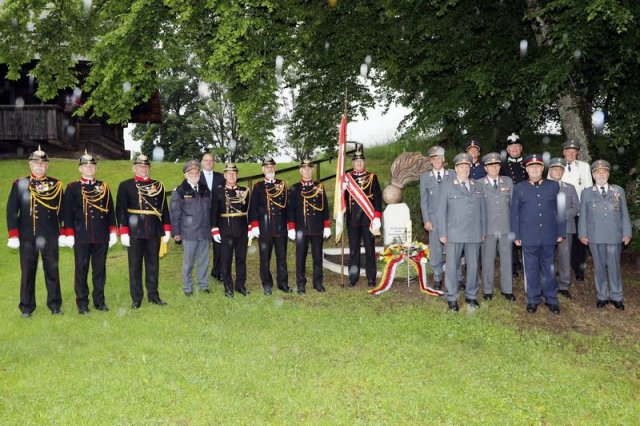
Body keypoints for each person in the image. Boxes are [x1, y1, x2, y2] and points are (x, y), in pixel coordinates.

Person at [7, 146, 65, 317]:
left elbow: (62, 210)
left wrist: (64, 232)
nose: (39, 166)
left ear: (47, 166)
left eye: (43, 163)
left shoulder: (55, 184)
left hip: (50, 235)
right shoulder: (20, 184)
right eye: (36, 163)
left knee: (52, 271)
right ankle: (26, 307)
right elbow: (11, 211)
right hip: (27, 236)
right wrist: (13, 235)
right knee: (27, 272)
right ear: (30, 165)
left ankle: (54, 305)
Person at [62, 151, 117, 314]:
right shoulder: (72, 187)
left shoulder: (104, 186)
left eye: (92, 165)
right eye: (86, 166)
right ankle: (82, 304)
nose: (89, 168)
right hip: (81, 236)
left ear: (96, 168)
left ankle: (99, 302)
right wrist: (69, 234)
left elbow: (110, 211)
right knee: (81, 270)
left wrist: (113, 231)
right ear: (80, 169)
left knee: (99, 270)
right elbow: (67, 213)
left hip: (101, 236)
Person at [511, 154, 565, 314]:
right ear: (526, 169)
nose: (534, 169)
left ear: (542, 168)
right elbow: (515, 213)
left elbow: (560, 210)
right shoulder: (519, 188)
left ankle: (551, 298)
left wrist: (561, 231)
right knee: (531, 269)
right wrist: (516, 235)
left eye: (537, 167)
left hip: (549, 234)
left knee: (549, 268)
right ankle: (533, 299)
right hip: (528, 235)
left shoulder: (553, 186)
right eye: (531, 167)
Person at [116, 153, 171, 309]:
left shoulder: (158, 186)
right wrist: (124, 231)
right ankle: (136, 298)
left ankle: (153, 295)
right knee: (135, 266)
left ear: (149, 168)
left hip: (153, 230)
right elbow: (120, 210)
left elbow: (164, 209)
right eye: (140, 166)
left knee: (153, 264)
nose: (143, 169)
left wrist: (167, 228)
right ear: (134, 168)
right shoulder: (125, 185)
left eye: (146, 166)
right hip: (134, 231)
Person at [578, 160, 632, 310]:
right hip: (595, 236)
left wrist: (627, 232)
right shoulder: (587, 193)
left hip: (615, 235)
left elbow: (624, 213)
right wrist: (582, 233)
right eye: (597, 172)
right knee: (599, 266)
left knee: (614, 266)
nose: (601, 175)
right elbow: (583, 215)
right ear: (593, 175)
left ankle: (616, 296)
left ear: (608, 174)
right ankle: (602, 295)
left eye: (604, 172)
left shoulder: (618, 191)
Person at [437, 153, 486, 311]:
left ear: (470, 168)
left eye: (467, 166)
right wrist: (442, 233)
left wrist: (483, 230)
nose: (464, 169)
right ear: (456, 168)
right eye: (461, 166)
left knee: (473, 266)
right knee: (452, 266)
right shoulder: (447, 186)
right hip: (454, 233)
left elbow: (483, 211)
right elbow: (441, 212)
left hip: (474, 233)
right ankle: (451, 297)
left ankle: (471, 296)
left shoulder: (478, 186)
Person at [287, 159, 331, 294]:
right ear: (300, 171)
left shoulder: (319, 187)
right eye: (304, 169)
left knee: (317, 257)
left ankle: (318, 283)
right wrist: (292, 227)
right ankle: (301, 284)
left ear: (312, 170)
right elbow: (290, 209)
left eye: (309, 169)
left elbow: (325, 207)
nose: (307, 171)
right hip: (301, 229)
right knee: (300, 257)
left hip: (317, 228)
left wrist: (327, 225)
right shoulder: (295, 188)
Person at [249, 157, 292, 295]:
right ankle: (267, 283)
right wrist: (254, 225)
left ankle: (283, 283)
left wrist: (290, 226)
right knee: (264, 259)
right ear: (263, 169)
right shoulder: (258, 186)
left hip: (280, 229)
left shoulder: (283, 185)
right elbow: (253, 208)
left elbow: (288, 207)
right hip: (265, 229)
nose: (270, 169)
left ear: (275, 168)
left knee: (282, 258)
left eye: (272, 167)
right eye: (267, 167)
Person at [170, 159, 212, 296]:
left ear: (199, 174)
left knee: (204, 261)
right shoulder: (179, 191)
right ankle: (187, 287)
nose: (194, 174)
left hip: (204, 231)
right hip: (188, 233)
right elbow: (175, 213)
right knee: (188, 263)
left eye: (196, 172)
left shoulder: (206, 190)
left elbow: (210, 210)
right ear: (185, 175)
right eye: (191, 172)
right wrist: (176, 233)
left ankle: (203, 285)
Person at [478, 152, 515, 301]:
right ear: (485, 168)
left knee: (507, 260)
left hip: (506, 228)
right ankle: (487, 290)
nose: (494, 168)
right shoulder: (478, 183)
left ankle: (507, 289)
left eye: (496, 165)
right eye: (490, 165)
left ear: (500, 167)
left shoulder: (508, 182)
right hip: (488, 229)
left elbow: (513, 206)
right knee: (488, 260)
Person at [210, 163, 251, 298]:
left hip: (241, 228)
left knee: (241, 259)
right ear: (225, 175)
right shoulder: (218, 190)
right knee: (226, 259)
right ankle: (228, 286)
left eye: (234, 173)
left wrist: (250, 227)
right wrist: (214, 229)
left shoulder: (244, 190)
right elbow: (213, 211)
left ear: (237, 175)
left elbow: (248, 211)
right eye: (229, 174)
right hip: (225, 229)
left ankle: (240, 285)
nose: (232, 176)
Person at [419, 145, 456, 290]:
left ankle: (457, 276)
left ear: (444, 159)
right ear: (430, 161)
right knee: (435, 249)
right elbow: (423, 200)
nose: (437, 161)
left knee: (453, 248)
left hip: (451, 218)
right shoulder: (425, 177)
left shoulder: (452, 175)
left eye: (439, 157)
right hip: (433, 219)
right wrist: (426, 219)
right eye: (434, 158)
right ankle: (437, 276)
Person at [345, 149, 383, 287]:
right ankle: (353, 278)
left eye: (361, 161)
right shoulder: (346, 178)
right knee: (354, 249)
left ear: (364, 162)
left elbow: (377, 198)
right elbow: (342, 202)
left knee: (369, 249)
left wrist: (377, 216)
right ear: (353, 163)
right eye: (356, 161)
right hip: (352, 220)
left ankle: (371, 278)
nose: (359, 163)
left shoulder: (372, 177)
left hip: (368, 220)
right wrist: (342, 190)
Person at [559, 140, 593, 282]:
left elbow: (588, 189)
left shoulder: (584, 167)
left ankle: (578, 270)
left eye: (574, 151)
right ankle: (560, 268)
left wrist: (587, 210)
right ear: (563, 152)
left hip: (578, 210)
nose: (571, 153)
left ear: (577, 152)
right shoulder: (557, 165)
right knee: (562, 241)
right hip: (561, 211)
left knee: (579, 242)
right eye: (568, 151)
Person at [547, 157, 579, 299]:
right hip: (548, 228)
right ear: (550, 171)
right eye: (554, 169)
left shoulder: (569, 188)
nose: (557, 171)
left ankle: (564, 285)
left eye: (560, 169)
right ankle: (550, 283)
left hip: (566, 227)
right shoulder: (544, 186)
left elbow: (576, 207)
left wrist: (561, 215)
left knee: (565, 256)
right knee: (549, 257)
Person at [500, 132, 528, 278]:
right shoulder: (503, 165)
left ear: (521, 148)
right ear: (508, 149)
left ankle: (527, 262)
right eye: (512, 148)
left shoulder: (529, 163)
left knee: (526, 232)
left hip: (527, 204)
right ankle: (513, 264)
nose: (514, 149)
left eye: (517, 147)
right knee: (511, 233)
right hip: (510, 203)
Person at [199, 153, 225, 281]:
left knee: (218, 245)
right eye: (206, 160)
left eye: (211, 160)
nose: (209, 162)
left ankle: (217, 271)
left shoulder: (221, 177)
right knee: (202, 246)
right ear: (202, 162)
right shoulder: (196, 176)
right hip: (201, 217)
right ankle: (201, 273)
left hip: (218, 216)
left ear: (214, 162)